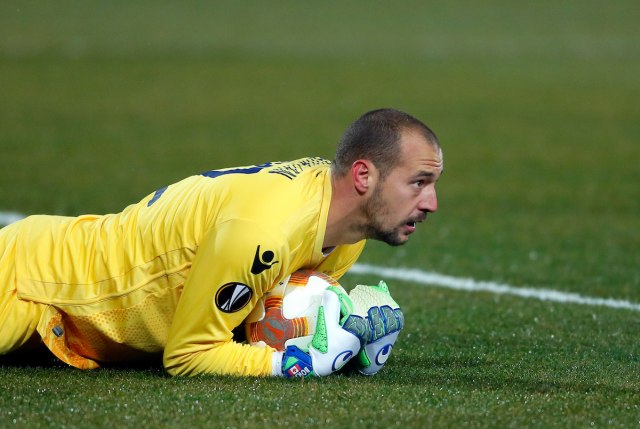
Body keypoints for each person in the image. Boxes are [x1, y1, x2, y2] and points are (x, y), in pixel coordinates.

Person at [0, 108, 443, 377]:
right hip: (29, 281)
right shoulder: (264, 234)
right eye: (419, 182)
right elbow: (189, 356)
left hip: (69, 306)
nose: (432, 203)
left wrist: (348, 332)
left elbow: (257, 316)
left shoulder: (346, 230)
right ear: (363, 176)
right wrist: (289, 365)